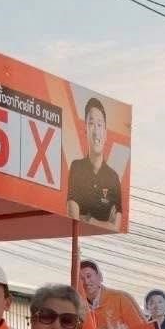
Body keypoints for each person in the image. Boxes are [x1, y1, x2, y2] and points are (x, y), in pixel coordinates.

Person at [67, 98, 123, 231]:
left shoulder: (113, 178)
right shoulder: (76, 167)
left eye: (100, 125)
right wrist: (105, 223)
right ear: (85, 129)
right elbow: (74, 217)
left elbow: (116, 227)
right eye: (91, 124)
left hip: (104, 243)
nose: (96, 131)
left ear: (105, 132)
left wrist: (89, 219)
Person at [78, 260, 148, 329]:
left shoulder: (120, 298)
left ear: (100, 277)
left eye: (89, 276)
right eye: (81, 279)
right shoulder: (78, 307)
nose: (86, 282)